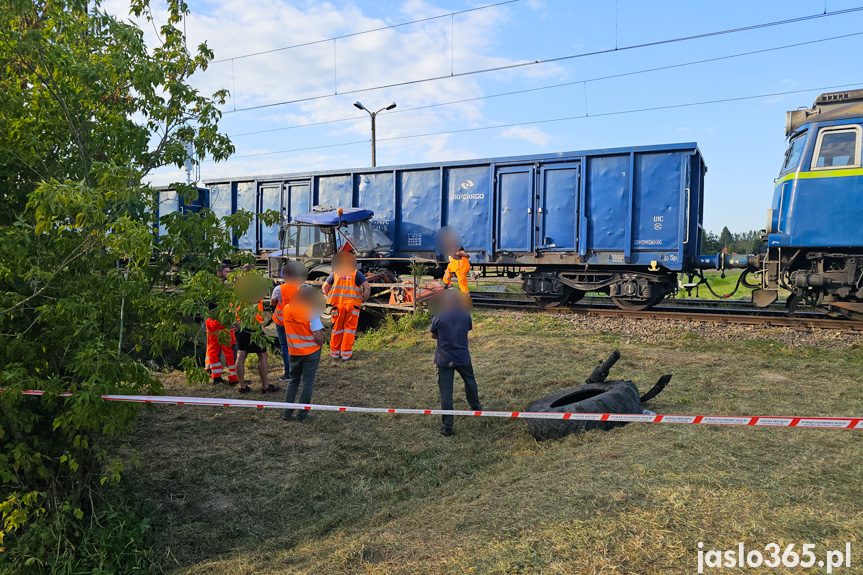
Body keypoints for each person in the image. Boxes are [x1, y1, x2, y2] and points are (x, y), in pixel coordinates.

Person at [429, 289, 481, 437]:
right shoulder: (466, 316)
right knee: (470, 381)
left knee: (446, 394)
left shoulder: (438, 317)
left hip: (444, 359)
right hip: (462, 357)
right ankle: (476, 408)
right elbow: (467, 330)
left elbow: (433, 335)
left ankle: (448, 428)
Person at [281, 286, 325, 422]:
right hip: (310, 352)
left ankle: (287, 412)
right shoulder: (311, 312)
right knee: (307, 383)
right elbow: (318, 336)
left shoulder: (287, 308)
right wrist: (321, 344)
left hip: (293, 351)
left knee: (293, 380)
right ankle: (302, 414)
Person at [322, 252, 370, 361]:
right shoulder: (356, 273)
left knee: (336, 329)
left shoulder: (334, 273)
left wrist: (331, 297)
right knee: (349, 330)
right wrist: (363, 299)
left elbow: (325, 287)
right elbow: (367, 288)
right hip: (352, 306)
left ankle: (334, 354)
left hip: (337, 306)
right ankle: (346, 354)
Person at [234, 283, 280, 395]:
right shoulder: (251, 290)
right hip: (253, 326)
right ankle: (265, 387)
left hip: (239, 325)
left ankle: (242, 387)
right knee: (262, 355)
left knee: (241, 354)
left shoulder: (236, 291)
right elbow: (254, 304)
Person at [271, 262, 306, 382]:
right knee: (298, 345)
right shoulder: (301, 287)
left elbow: (272, 303)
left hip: (282, 322)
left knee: (285, 347)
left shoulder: (278, 289)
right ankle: (300, 371)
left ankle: (288, 373)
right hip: (297, 321)